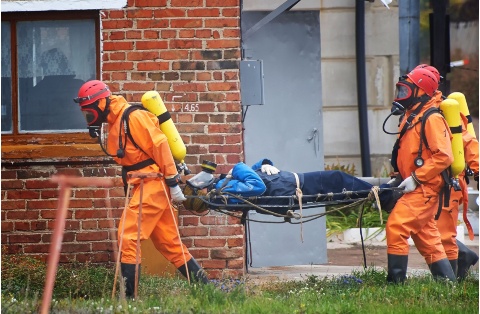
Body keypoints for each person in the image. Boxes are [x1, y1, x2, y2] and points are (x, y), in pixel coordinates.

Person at [73, 80, 208, 298]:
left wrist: (173, 182)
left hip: (152, 184)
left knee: (128, 236)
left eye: (89, 112)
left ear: (101, 103)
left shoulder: (133, 117)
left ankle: (130, 300)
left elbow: (161, 145)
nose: (89, 117)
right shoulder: (116, 122)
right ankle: (208, 290)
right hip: (144, 186)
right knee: (169, 244)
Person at [385, 67, 456, 283]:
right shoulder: (412, 114)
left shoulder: (431, 118)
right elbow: (408, 150)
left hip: (425, 187)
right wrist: (399, 175)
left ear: (420, 90)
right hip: (416, 185)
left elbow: (444, 156)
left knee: (396, 227)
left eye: (407, 90)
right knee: (427, 237)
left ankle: (395, 284)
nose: (401, 95)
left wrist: (416, 178)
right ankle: (447, 282)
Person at [415, 64, 479, 280]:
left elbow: (468, 142)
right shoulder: (417, 112)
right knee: (424, 228)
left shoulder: (441, 112)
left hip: (444, 185)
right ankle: (461, 260)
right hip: (424, 182)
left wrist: (478, 172)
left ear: (422, 88)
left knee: (444, 235)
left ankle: (449, 284)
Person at [184, 158, 396, 215]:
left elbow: (256, 174)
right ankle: (384, 196)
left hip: (290, 186)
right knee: (338, 180)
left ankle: (382, 196)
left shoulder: (223, 187)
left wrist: (264, 164)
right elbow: (257, 186)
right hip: (295, 187)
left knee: (340, 191)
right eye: (199, 187)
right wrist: (237, 167)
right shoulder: (225, 193)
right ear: (202, 195)